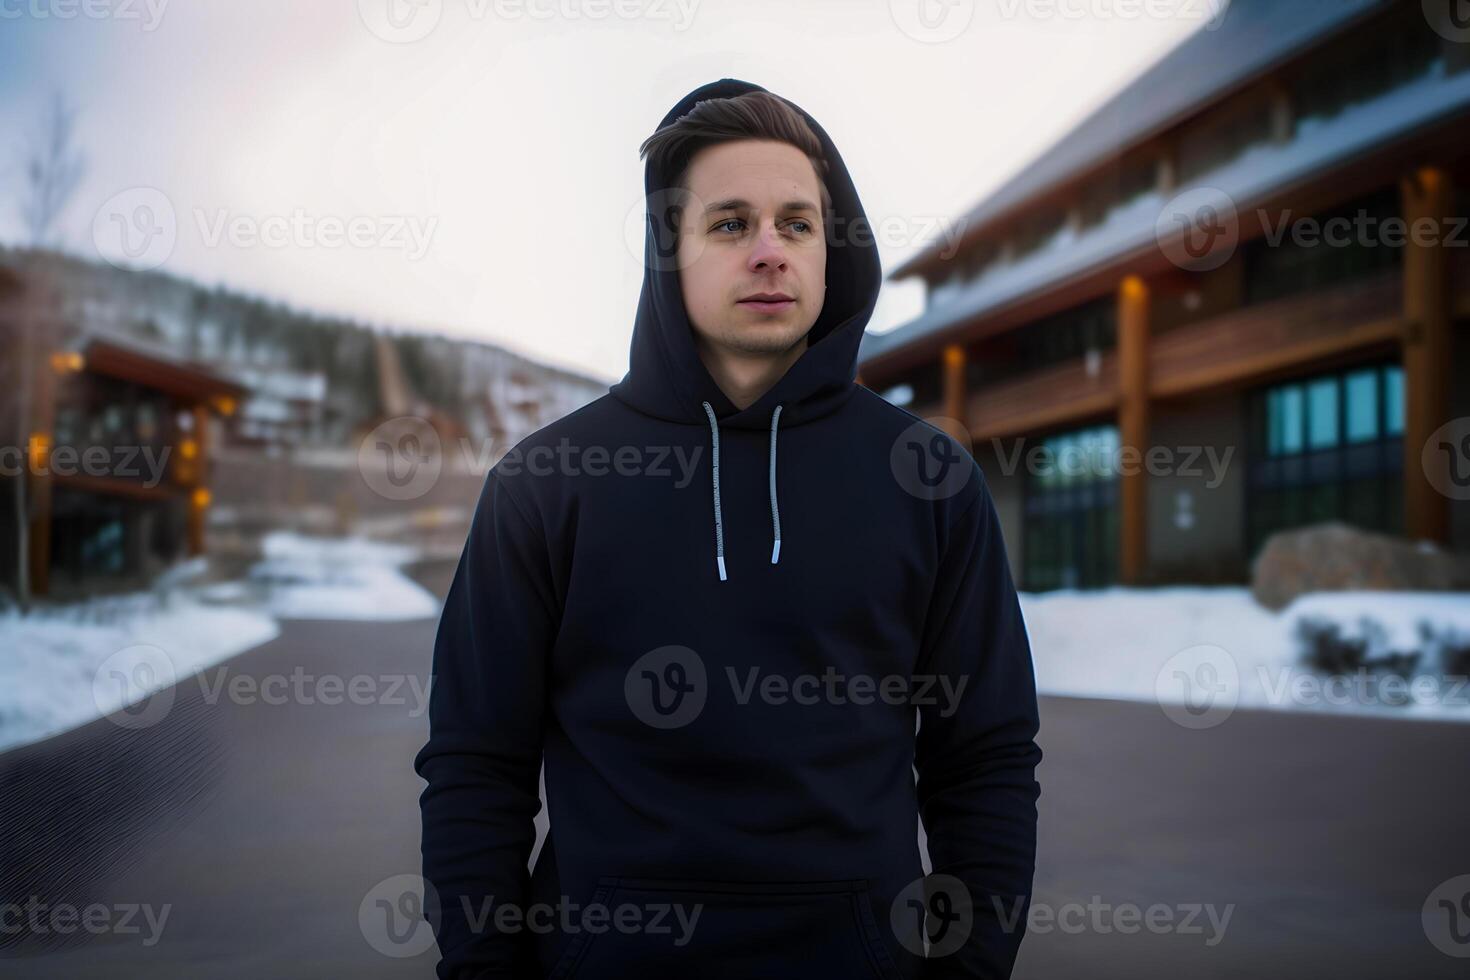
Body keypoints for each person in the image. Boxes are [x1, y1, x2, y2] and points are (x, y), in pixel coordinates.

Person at [413, 77, 1042, 980]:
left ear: (831, 251)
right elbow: (476, 767)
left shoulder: (928, 480)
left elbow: (983, 761)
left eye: (796, 224)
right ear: (671, 250)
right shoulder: (548, 484)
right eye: (729, 223)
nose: (769, 252)